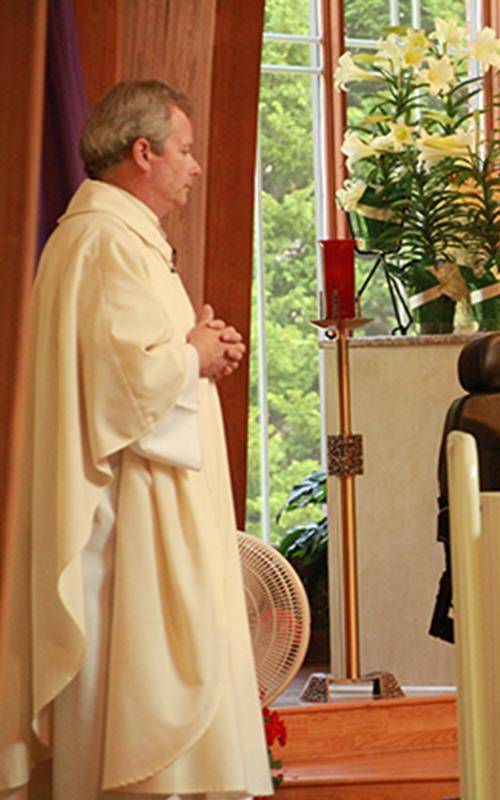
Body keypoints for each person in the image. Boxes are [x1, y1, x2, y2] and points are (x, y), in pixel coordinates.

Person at [0, 80, 272, 798]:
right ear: (142, 152)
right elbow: (123, 387)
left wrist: (193, 348)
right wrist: (196, 356)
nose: (194, 165)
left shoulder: (119, 238)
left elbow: (135, 362)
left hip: (157, 501)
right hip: (131, 515)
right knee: (144, 676)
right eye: (183, 150)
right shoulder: (103, 241)